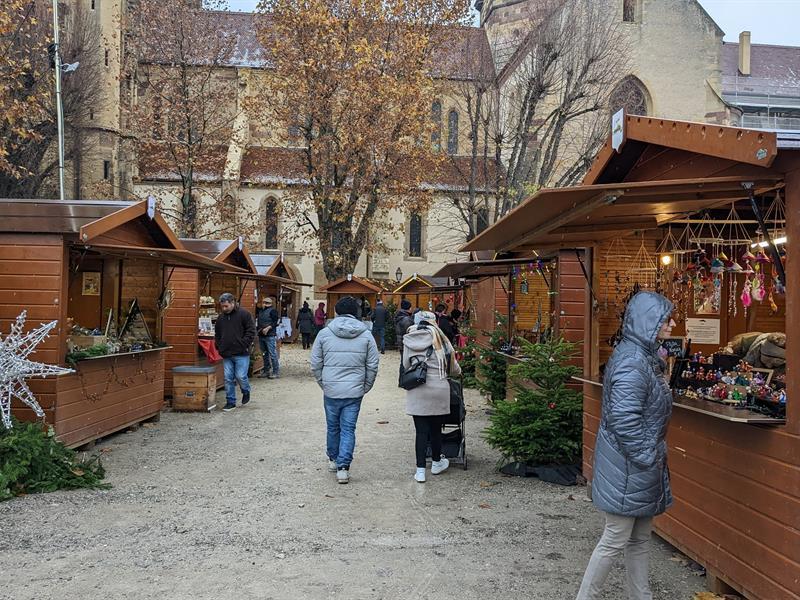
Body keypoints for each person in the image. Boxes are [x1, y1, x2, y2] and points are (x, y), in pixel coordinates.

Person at [576, 291, 676, 600]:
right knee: (615, 539)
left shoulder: (644, 357)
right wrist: (648, 454)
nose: (672, 324)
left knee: (639, 539)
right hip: (629, 466)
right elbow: (624, 419)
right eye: (665, 319)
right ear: (649, 322)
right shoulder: (633, 362)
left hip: (639, 466)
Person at [311, 296, 380, 484]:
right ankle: (343, 467)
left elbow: (315, 363)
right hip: (354, 390)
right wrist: (366, 386)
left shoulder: (324, 334)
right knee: (348, 428)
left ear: (336, 312)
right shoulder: (366, 335)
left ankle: (333, 458)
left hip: (331, 388)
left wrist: (323, 382)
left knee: (333, 426)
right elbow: (373, 364)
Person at [403, 310, 461, 483]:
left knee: (421, 432)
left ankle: (420, 471)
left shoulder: (410, 338)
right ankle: (436, 463)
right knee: (436, 430)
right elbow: (453, 367)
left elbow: (406, 364)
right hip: (438, 389)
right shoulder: (442, 339)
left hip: (417, 388)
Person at [215, 292, 256, 412]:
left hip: (241, 352)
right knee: (228, 378)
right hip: (226, 353)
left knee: (241, 376)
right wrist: (219, 345)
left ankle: (245, 390)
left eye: (226, 306)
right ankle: (230, 402)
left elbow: (251, 331)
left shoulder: (244, 314)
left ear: (233, 303)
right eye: (222, 306)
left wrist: (243, 344)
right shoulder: (221, 318)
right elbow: (218, 333)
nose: (224, 308)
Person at [256, 297, 280, 379]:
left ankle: (275, 372)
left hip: (270, 335)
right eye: (263, 302)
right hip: (261, 334)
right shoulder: (261, 311)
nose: (264, 304)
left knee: (272, 354)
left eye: (266, 303)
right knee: (264, 354)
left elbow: (276, 322)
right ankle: (266, 371)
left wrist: (268, 328)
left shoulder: (273, 311)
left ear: (270, 304)